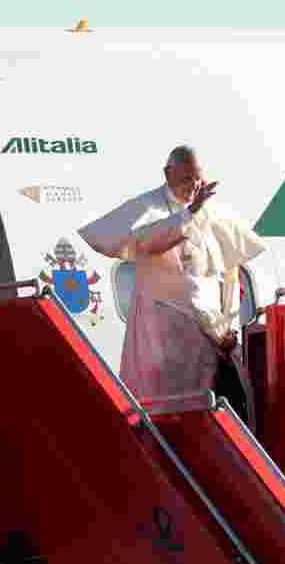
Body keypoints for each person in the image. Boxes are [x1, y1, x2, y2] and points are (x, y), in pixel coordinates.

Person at [77, 145, 265, 399]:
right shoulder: (149, 207)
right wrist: (189, 215)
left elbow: (227, 275)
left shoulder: (210, 212)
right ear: (168, 174)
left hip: (205, 342)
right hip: (164, 340)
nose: (195, 185)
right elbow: (149, 243)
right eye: (187, 178)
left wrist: (226, 327)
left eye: (198, 178)